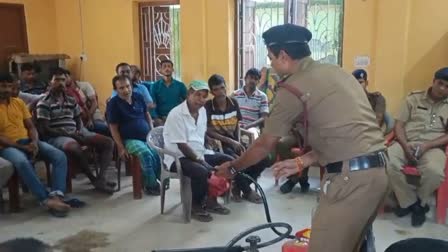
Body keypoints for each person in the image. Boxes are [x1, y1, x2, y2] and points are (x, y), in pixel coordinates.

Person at [216, 24, 388, 252]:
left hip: (350, 181)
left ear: (284, 56)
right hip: (379, 174)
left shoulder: (292, 87)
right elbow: (344, 135)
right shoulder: (337, 73)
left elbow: (265, 144)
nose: (271, 65)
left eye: (271, 58)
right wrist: (302, 161)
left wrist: (233, 168)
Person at [0, 73, 70, 217]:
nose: (6, 89)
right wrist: (23, 147)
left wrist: (34, 141)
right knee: (21, 162)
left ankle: (57, 195)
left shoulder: (18, 103)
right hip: (7, 147)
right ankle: (45, 198)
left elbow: (31, 126)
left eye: (8, 86)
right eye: (2, 86)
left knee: (59, 155)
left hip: (28, 141)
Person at [36, 68, 115, 194]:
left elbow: (78, 119)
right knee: (74, 147)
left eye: (63, 79)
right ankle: (93, 178)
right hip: (56, 136)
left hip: (75, 131)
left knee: (108, 142)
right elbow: (44, 129)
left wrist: (79, 131)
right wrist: (68, 134)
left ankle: (101, 177)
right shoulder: (44, 103)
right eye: (57, 80)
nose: (61, 83)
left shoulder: (71, 100)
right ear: (50, 82)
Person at [164, 80, 232, 222]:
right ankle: (196, 205)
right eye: (197, 95)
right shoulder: (176, 114)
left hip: (200, 152)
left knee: (227, 160)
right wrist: (201, 161)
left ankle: (211, 200)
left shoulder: (202, 111)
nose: (201, 100)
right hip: (178, 157)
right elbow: (182, 145)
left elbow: (199, 132)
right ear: (189, 94)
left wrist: (208, 140)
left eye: (204, 96)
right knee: (201, 171)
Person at [387, 67, 448, 227]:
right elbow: (399, 125)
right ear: (434, 81)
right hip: (406, 142)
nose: (442, 89)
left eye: (447, 86)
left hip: (433, 146)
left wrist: (428, 145)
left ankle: (420, 203)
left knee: (435, 172)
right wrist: (406, 146)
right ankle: (409, 203)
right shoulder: (413, 99)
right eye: (440, 83)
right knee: (386, 161)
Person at [205, 74, 268, 203]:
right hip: (219, 145)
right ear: (212, 91)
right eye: (216, 89)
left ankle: (239, 185)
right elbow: (208, 130)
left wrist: (238, 141)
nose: (220, 92)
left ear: (226, 87)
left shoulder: (233, 103)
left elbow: (237, 125)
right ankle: (247, 191)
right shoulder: (208, 106)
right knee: (235, 161)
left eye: (222, 88)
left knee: (263, 158)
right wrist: (231, 142)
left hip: (236, 141)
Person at [107, 75, 161, 195]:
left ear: (131, 86)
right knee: (145, 154)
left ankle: (155, 180)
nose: (126, 90)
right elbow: (113, 127)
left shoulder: (138, 97)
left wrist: (151, 131)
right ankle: (150, 186)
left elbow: (146, 114)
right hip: (129, 139)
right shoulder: (113, 104)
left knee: (157, 153)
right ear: (116, 90)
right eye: (121, 88)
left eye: (128, 86)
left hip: (146, 136)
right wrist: (120, 147)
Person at [64, 70, 110, 136]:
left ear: (71, 76)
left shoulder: (84, 85)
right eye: (62, 79)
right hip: (79, 120)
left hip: (93, 114)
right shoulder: (65, 92)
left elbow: (94, 102)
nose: (65, 80)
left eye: (66, 77)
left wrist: (90, 118)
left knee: (103, 127)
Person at [231, 68, 269, 139]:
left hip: (253, 128)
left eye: (256, 79)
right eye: (251, 77)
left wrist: (248, 126)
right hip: (235, 126)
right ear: (245, 79)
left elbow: (264, 117)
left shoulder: (262, 96)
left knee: (248, 136)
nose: (252, 81)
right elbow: (229, 113)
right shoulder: (235, 94)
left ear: (258, 81)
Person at [150, 59, 187, 126]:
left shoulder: (180, 85)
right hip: (161, 119)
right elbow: (153, 104)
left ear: (172, 69)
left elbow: (188, 101)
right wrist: (156, 118)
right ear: (160, 70)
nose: (167, 68)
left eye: (169, 66)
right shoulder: (154, 86)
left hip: (177, 118)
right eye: (164, 67)